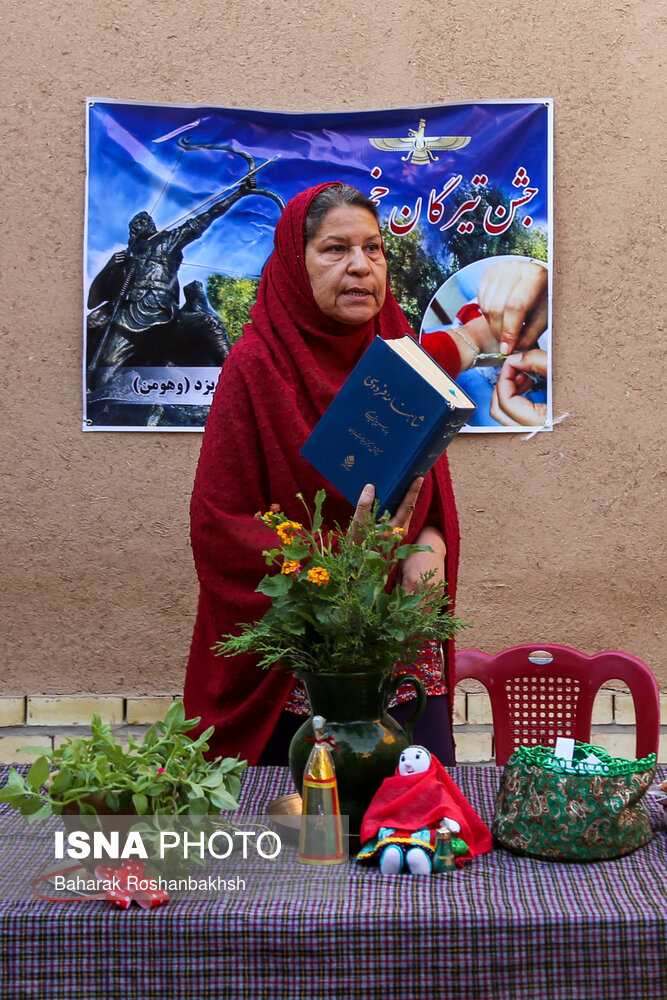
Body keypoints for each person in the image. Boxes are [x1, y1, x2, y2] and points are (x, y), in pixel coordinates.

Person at [184, 182, 480, 767]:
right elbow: (219, 526)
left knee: (409, 822)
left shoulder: (398, 357)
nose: (360, 267)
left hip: (396, 640)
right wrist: (338, 562)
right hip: (298, 655)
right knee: (305, 833)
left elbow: (429, 493)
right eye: (335, 249)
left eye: (374, 249)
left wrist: (431, 545)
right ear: (297, 264)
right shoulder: (257, 367)